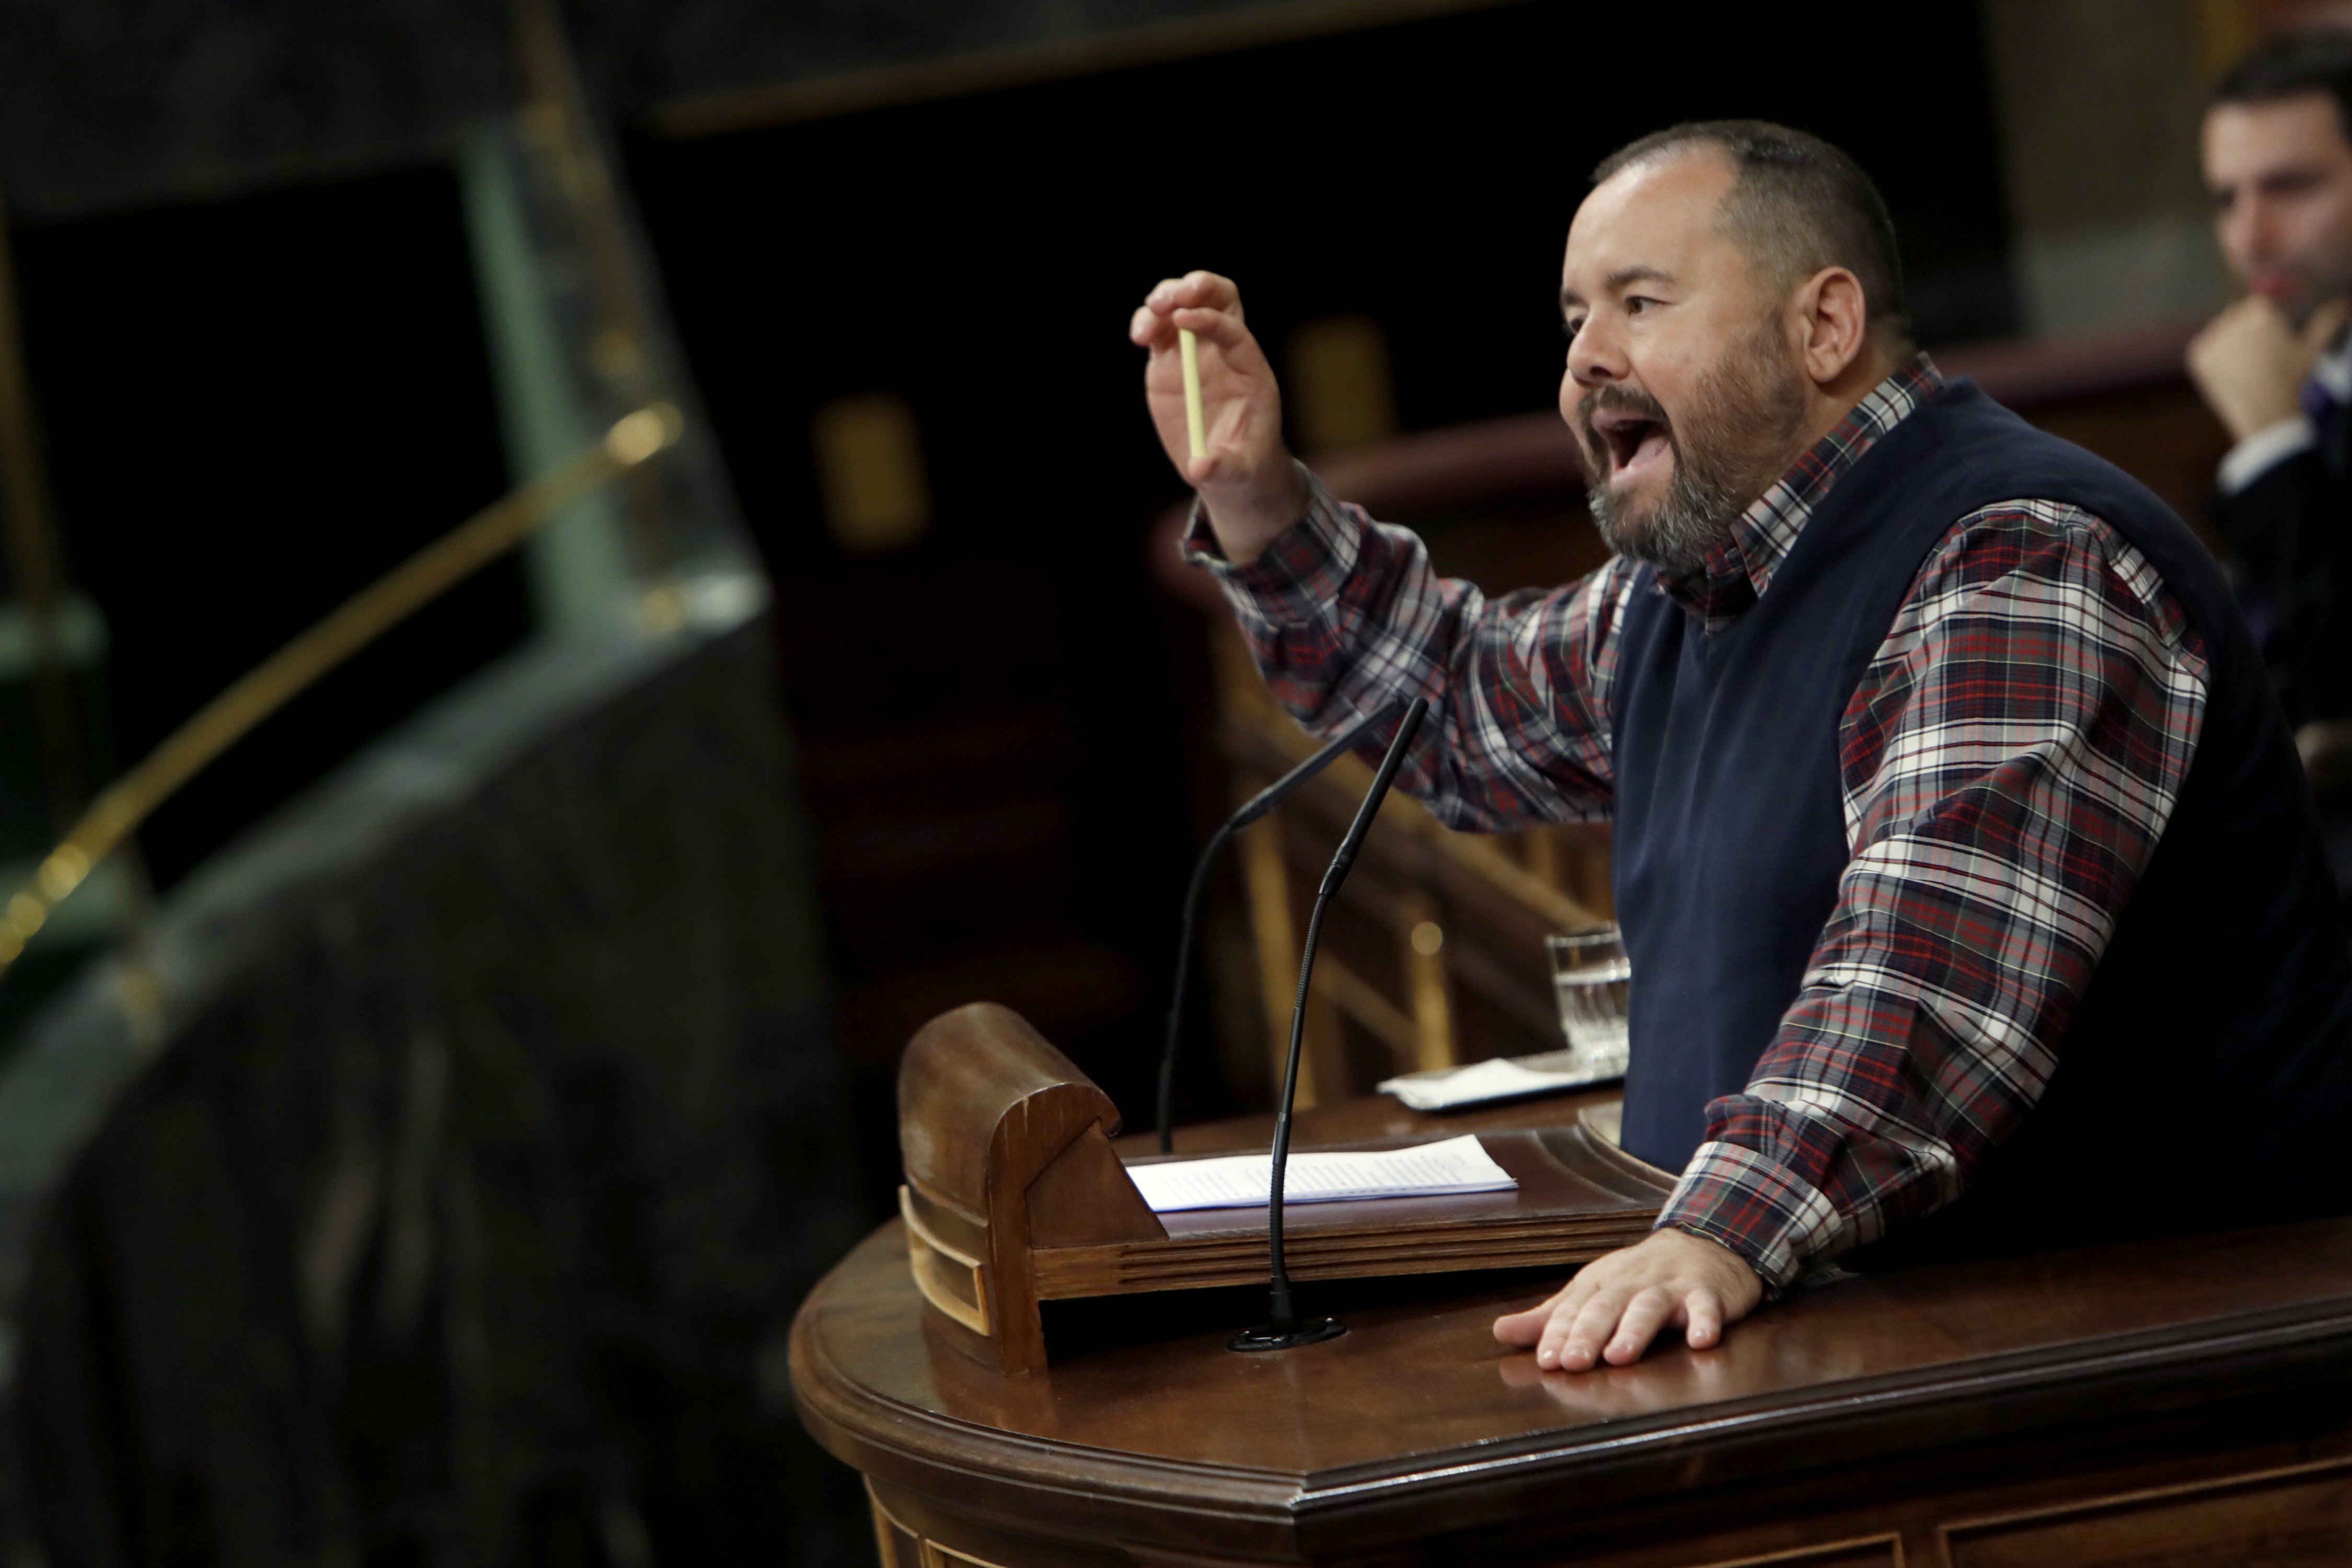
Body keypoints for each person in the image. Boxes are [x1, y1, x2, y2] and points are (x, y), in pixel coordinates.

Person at [1135, 120, 2352, 1374]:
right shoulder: (1692, 587)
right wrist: (1258, 499)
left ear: (1822, 327)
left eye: (1639, 303)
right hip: (1841, 1338)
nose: (1585, 362)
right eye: (1572, 320)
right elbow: (1456, 705)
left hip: (2147, 1365)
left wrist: (1717, 1235)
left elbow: (1927, 980)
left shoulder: (2019, 557)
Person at [2193, 30, 2352, 734]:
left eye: (2290, 186)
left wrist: (2275, 446)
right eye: (2228, 199)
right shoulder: (2314, 375)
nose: (2250, 236)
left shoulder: (2282, 404)